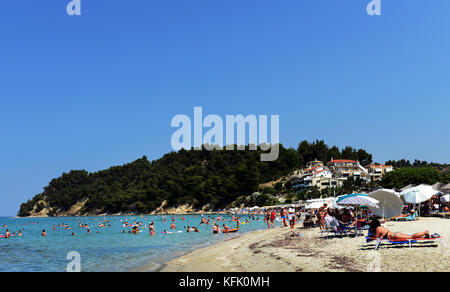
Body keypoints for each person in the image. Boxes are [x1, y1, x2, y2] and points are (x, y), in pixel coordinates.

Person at [369, 219, 437, 240]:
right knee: (411, 236)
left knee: (411, 237)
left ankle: (424, 232)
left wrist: (372, 233)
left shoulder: (378, 229)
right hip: (394, 234)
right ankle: (424, 233)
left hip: (395, 236)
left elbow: (376, 237)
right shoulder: (381, 227)